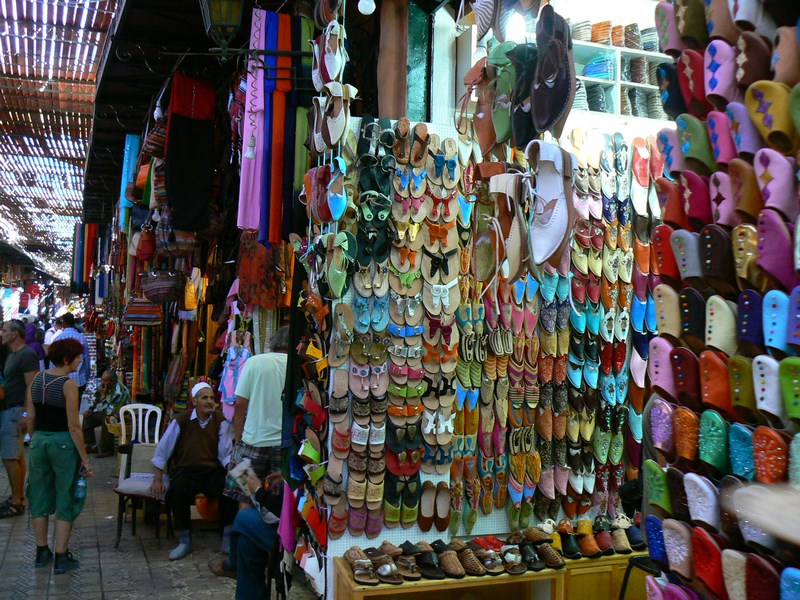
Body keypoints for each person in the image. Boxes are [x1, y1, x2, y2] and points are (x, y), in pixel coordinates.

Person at [25, 337, 92, 574]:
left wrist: (36, 441)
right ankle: (61, 556)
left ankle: (41, 551)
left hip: (39, 442)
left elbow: (30, 417)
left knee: (39, 495)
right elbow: (74, 425)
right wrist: (84, 457)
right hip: (62, 443)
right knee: (65, 495)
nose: (80, 360)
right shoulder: (68, 385)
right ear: (66, 359)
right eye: (77, 357)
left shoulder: (36, 380)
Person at [150, 382, 237, 561]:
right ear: (194, 401)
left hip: (212, 471)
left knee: (229, 489)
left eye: (212, 398)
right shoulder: (181, 420)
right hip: (187, 471)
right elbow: (162, 451)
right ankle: (184, 540)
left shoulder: (221, 420)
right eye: (204, 397)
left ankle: (227, 538)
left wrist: (232, 472)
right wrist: (158, 479)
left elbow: (225, 454)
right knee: (176, 490)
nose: (209, 401)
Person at [224, 326, 289, 512]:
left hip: (252, 441)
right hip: (283, 444)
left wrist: (238, 439)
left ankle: (244, 535)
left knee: (246, 494)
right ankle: (273, 539)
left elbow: (239, 404)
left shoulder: (255, 362)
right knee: (278, 495)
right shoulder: (297, 365)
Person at [209, 470, 283, 600]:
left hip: (294, 536)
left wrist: (258, 490)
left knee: (243, 517)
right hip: (286, 523)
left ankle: (231, 564)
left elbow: (282, 508)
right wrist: (284, 478)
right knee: (246, 542)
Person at [0, 319, 40, 518]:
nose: (2, 332)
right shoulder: (12, 354)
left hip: (16, 411)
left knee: (9, 457)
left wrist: (26, 414)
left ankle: (16, 501)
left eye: (5, 330)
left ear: (15, 333)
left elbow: (32, 387)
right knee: (15, 456)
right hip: (10, 409)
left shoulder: (26, 355)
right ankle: (18, 497)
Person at [82, 369, 131, 457]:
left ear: (112, 382)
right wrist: (90, 409)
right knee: (88, 417)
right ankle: (91, 445)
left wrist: (103, 396)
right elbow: (96, 398)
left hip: (120, 415)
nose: (103, 382)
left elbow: (111, 411)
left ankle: (107, 449)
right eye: (102, 380)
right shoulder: (104, 386)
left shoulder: (120, 392)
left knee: (107, 419)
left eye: (105, 381)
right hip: (108, 412)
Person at [55, 313, 91, 398]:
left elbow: (54, 362)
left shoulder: (58, 339)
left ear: (63, 323)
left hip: (62, 380)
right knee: (76, 406)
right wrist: (86, 376)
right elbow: (86, 360)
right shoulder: (82, 339)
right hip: (79, 380)